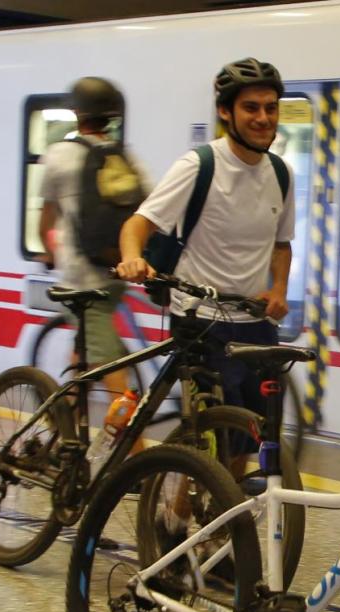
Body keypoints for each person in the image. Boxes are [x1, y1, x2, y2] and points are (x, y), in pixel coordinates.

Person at [116, 57, 294, 435]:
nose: (263, 118)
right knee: (212, 436)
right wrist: (132, 258)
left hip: (255, 322)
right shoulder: (199, 166)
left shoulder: (281, 173)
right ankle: (191, 487)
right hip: (201, 323)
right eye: (251, 108)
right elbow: (138, 223)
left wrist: (279, 289)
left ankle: (226, 495)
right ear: (225, 112)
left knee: (255, 437)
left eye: (271, 107)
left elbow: (281, 244)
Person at [37, 76, 148, 401]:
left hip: (80, 282)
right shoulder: (126, 157)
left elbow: (46, 220)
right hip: (115, 271)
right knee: (90, 356)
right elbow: (148, 207)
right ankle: (68, 430)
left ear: (77, 114)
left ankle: (129, 449)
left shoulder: (59, 155)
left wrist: (49, 253)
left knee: (113, 369)